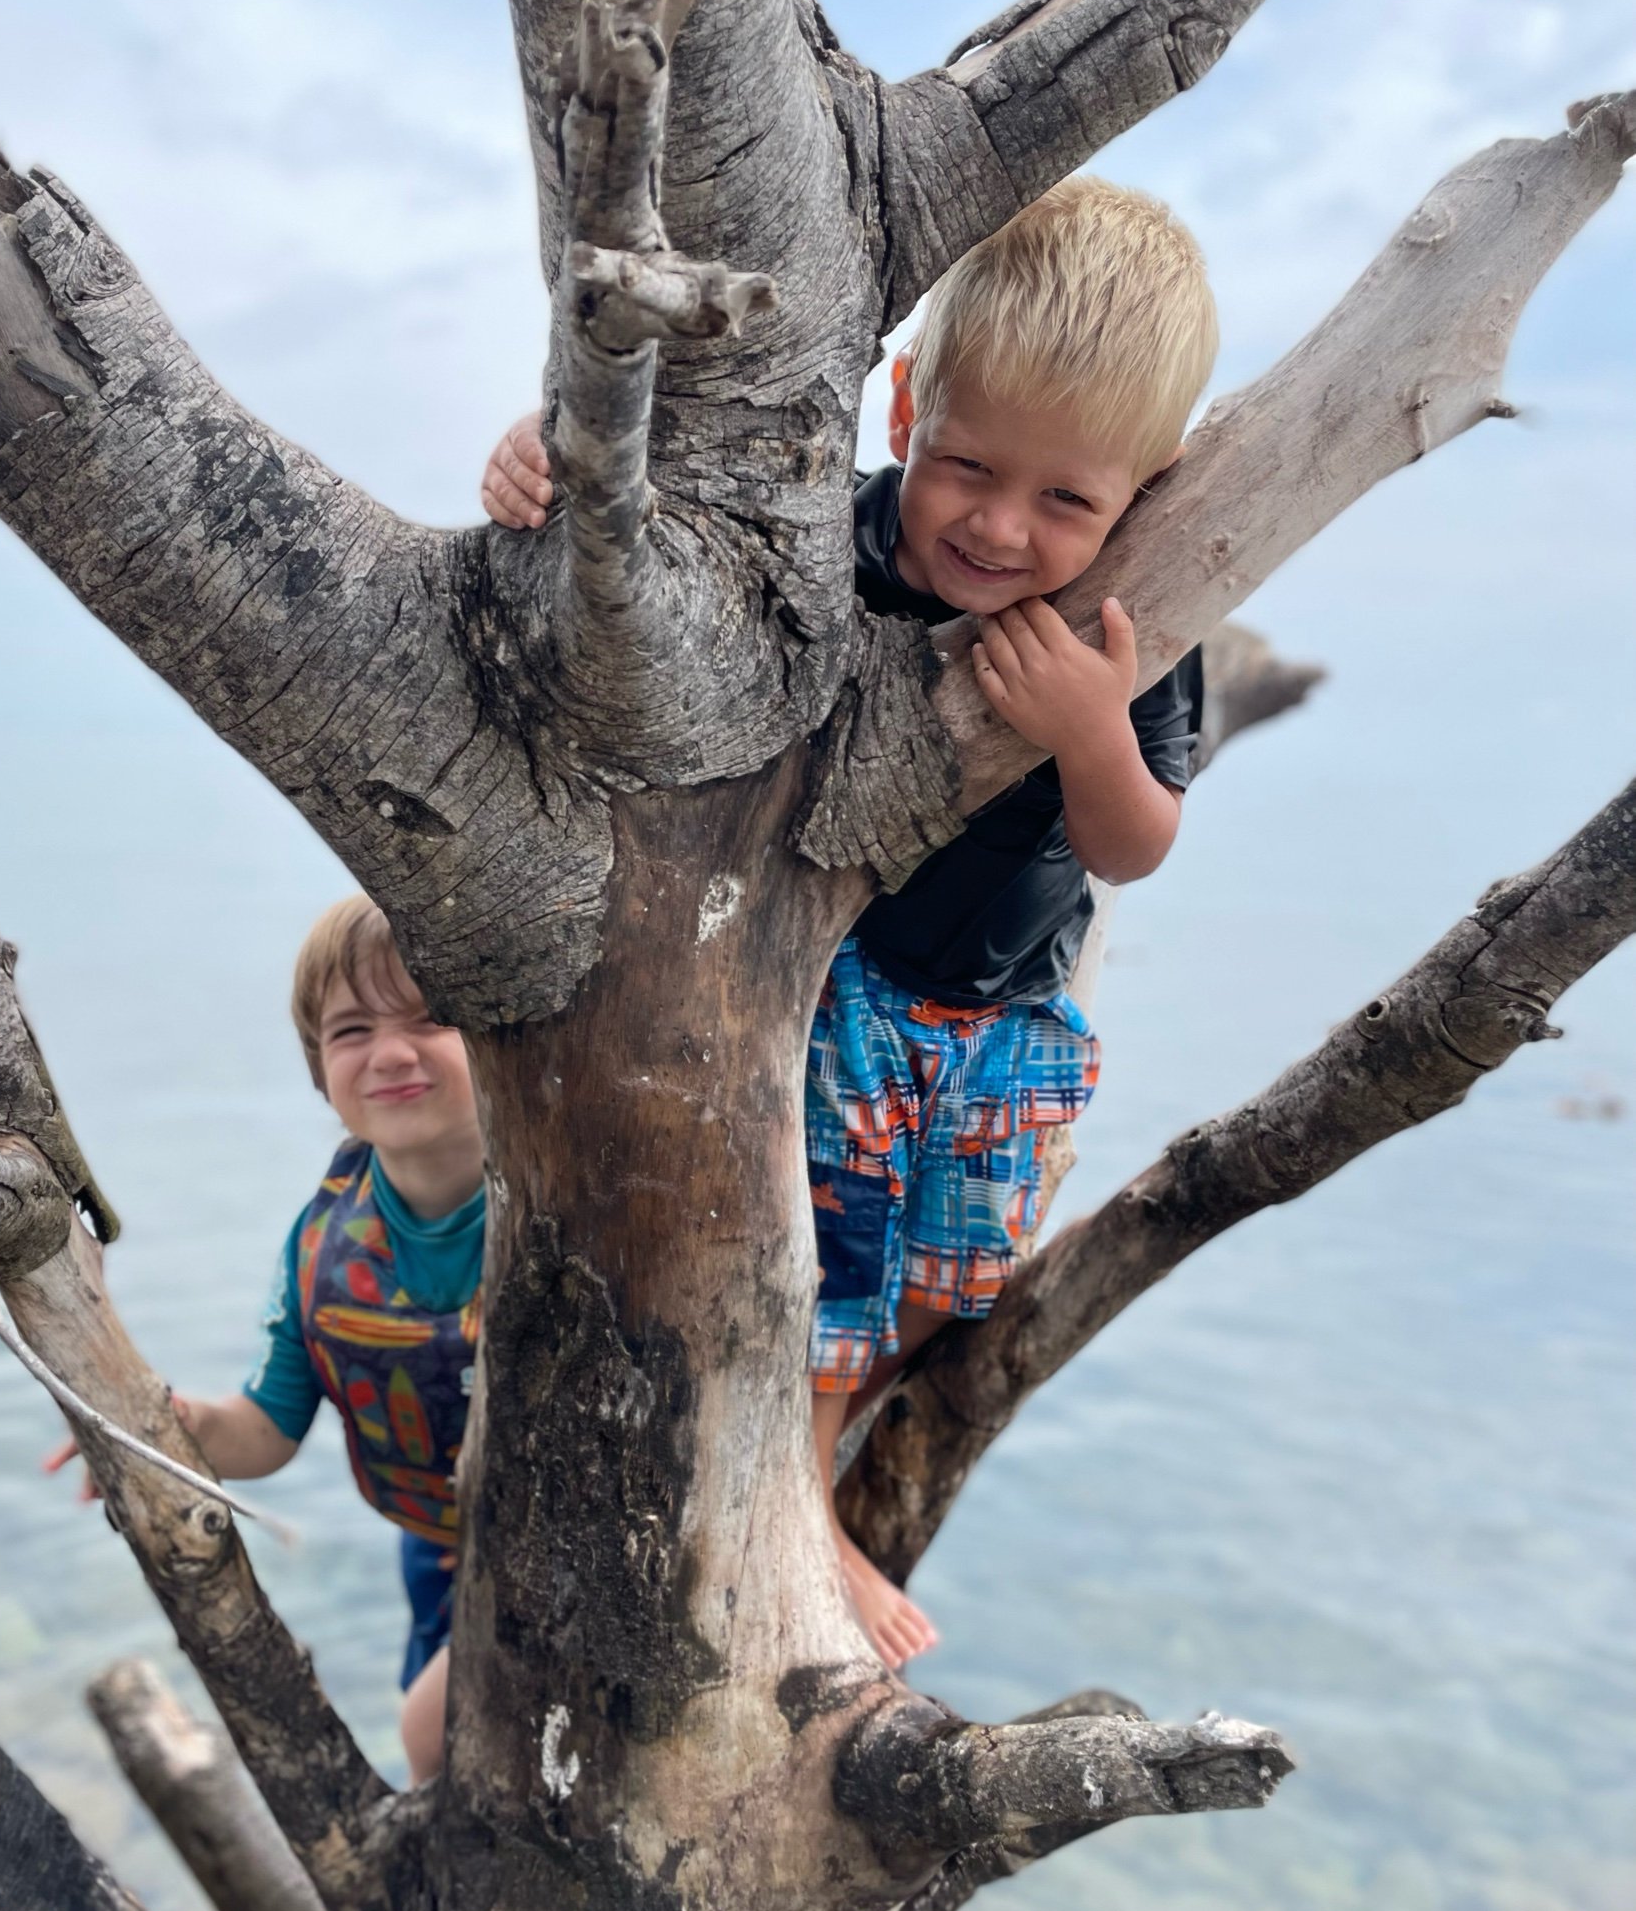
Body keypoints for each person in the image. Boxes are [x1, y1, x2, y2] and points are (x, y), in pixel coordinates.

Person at [479, 177, 1217, 1671]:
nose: (999, 529)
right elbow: (660, 525)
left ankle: (823, 1441)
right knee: (825, 1245)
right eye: (965, 468)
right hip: (835, 981)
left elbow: (1131, 844)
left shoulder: (1134, 623)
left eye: (1065, 499)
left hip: (1000, 1012)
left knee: (959, 1269)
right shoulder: (839, 536)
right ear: (899, 410)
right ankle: (798, 1504)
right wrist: (537, 453)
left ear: (1143, 492)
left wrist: (1089, 727)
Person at [49, 893, 482, 1911]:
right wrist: (156, 1428)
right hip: (437, 1549)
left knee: (434, 1732)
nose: (389, 1051)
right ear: (318, 1067)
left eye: (429, 1019)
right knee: (460, 1754)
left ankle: (398, 1902)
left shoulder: (560, 1196)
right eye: (350, 1032)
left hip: (575, 1544)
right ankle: (425, 1909)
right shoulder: (326, 1238)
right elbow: (266, 1431)